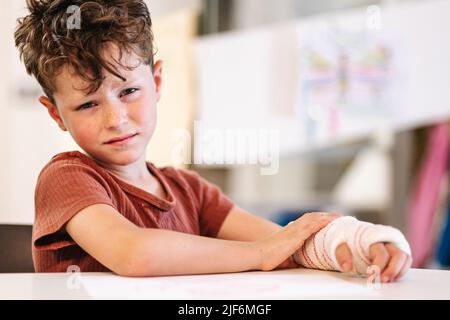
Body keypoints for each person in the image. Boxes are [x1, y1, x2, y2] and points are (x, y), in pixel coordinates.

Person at [14, 0, 412, 281]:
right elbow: (135, 254)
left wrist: (361, 245)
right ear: (56, 114)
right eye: (87, 105)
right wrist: (260, 255)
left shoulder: (191, 191)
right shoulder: (67, 178)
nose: (115, 119)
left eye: (129, 92)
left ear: (156, 83)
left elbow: (285, 244)